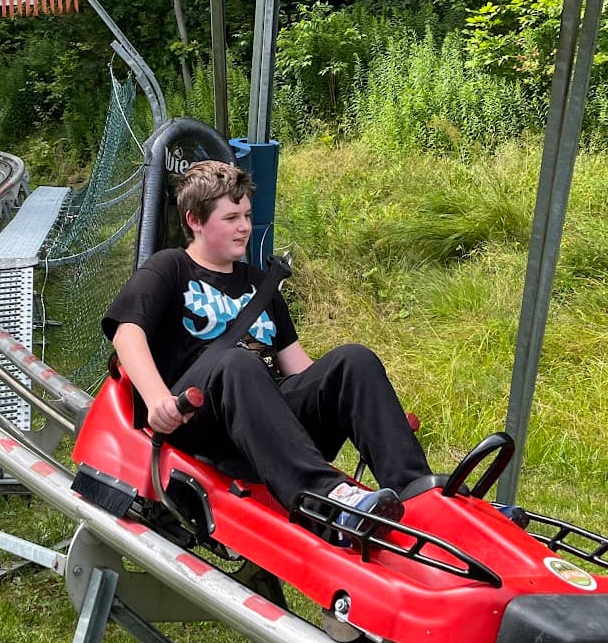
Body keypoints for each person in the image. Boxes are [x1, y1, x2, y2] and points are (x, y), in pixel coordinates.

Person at [102, 159, 431, 528]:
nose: (244, 227)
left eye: (246, 215)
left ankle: (420, 493)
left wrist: (368, 409)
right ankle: (326, 498)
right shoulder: (170, 267)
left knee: (354, 360)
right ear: (195, 220)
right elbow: (126, 333)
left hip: (268, 424)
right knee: (238, 362)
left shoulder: (261, 284)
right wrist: (157, 398)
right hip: (201, 419)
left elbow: (302, 372)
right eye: (230, 218)